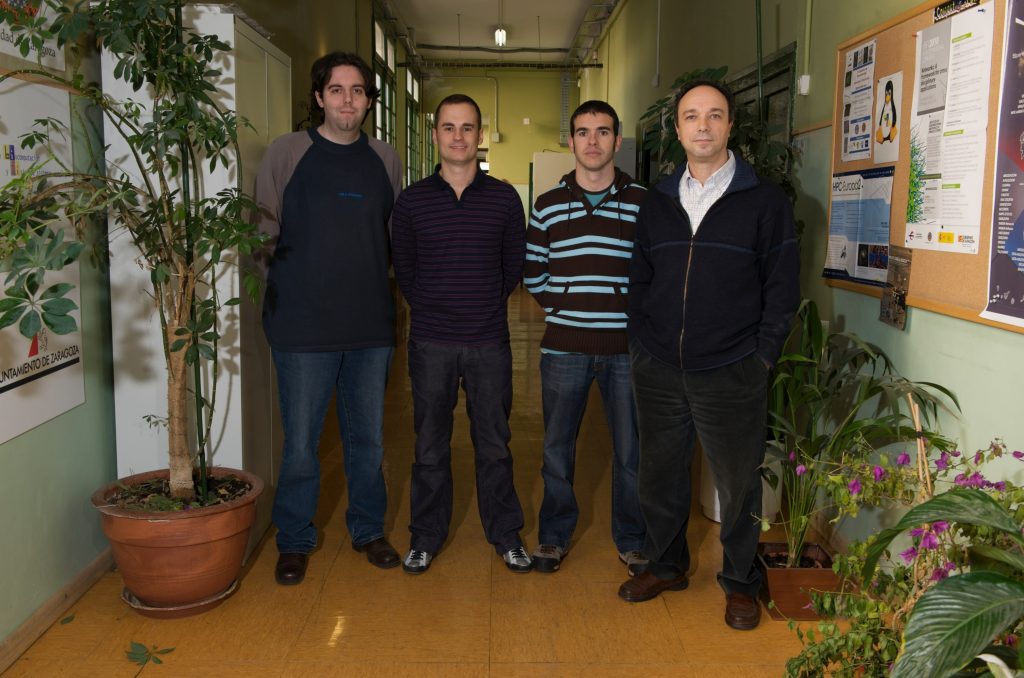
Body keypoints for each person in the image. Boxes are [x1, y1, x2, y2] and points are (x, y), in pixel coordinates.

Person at [619, 79, 800, 631]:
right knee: (659, 476)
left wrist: (760, 358)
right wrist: (641, 343)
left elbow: (782, 291)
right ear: (677, 130)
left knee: (739, 485)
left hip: (732, 370)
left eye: (714, 115)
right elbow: (639, 280)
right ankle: (666, 565)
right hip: (659, 366)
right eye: (692, 116)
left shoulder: (765, 202)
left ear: (729, 126)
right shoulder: (656, 202)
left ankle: (741, 583)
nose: (703, 125)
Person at [253, 51, 403, 586]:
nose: (347, 100)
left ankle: (368, 530)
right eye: (336, 90)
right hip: (302, 328)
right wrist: (288, 299)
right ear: (319, 97)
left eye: (358, 91)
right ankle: (295, 539)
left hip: (369, 327)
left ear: (369, 101)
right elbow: (262, 237)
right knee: (301, 445)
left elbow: (391, 239)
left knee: (368, 441)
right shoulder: (287, 152)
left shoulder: (385, 158)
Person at [390, 94, 531, 575]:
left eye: (467, 127)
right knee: (430, 446)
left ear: (479, 135)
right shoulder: (412, 201)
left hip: (488, 341)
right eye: (449, 127)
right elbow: (405, 268)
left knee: (494, 444)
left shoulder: (504, 199)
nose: (458, 136)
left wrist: (483, 301)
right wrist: (433, 304)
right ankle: (425, 537)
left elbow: (513, 264)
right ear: (435, 135)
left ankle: (506, 535)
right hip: (431, 342)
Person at [523, 100, 647, 575]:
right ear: (571, 141)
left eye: (602, 132)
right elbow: (533, 271)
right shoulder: (547, 204)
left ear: (617, 140)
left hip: (626, 351)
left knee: (631, 452)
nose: (592, 141)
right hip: (563, 349)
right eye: (582, 132)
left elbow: (655, 271)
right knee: (557, 450)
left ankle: (633, 540)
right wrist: (563, 306)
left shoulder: (643, 202)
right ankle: (553, 537)